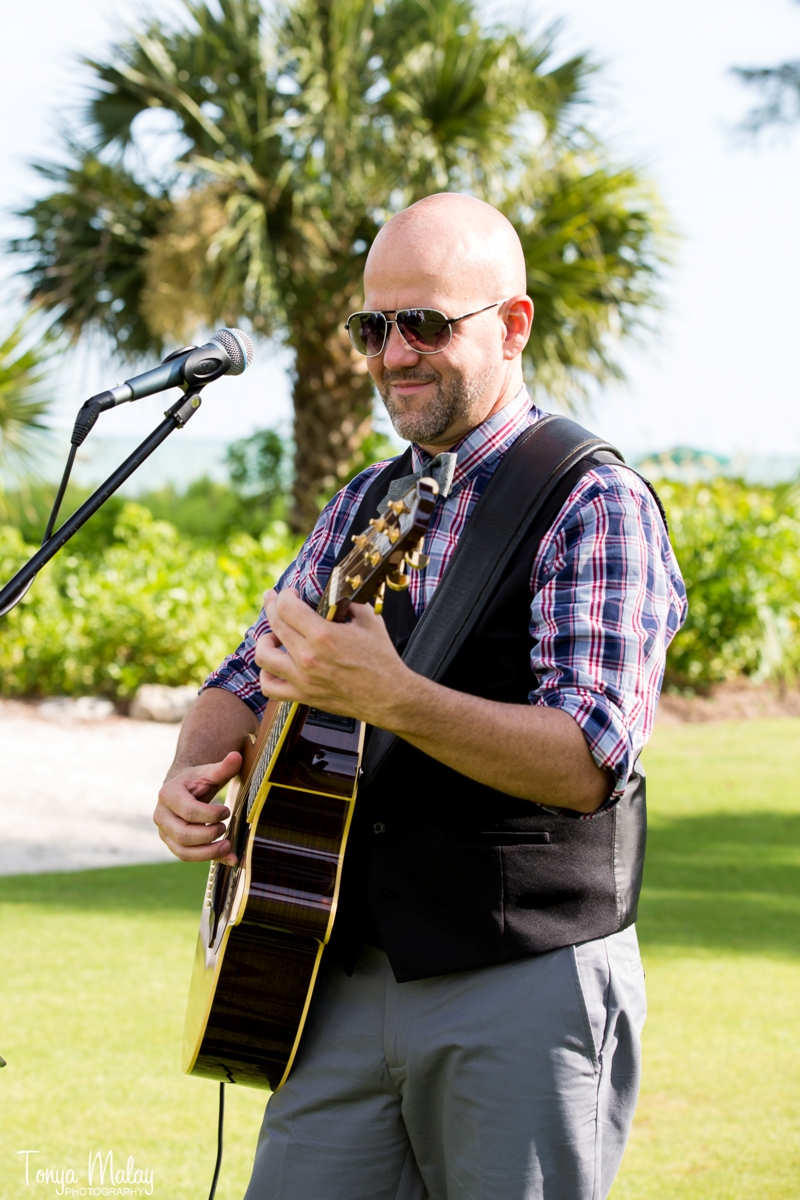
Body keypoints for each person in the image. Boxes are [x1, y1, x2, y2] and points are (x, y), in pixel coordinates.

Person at [154, 192, 687, 1200]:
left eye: (426, 324)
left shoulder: (592, 498)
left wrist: (392, 698)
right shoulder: (362, 500)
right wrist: (192, 771)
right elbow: (242, 679)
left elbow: (584, 761)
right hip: (336, 972)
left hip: (519, 981)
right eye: (373, 326)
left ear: (512, 324)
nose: (393, 353)